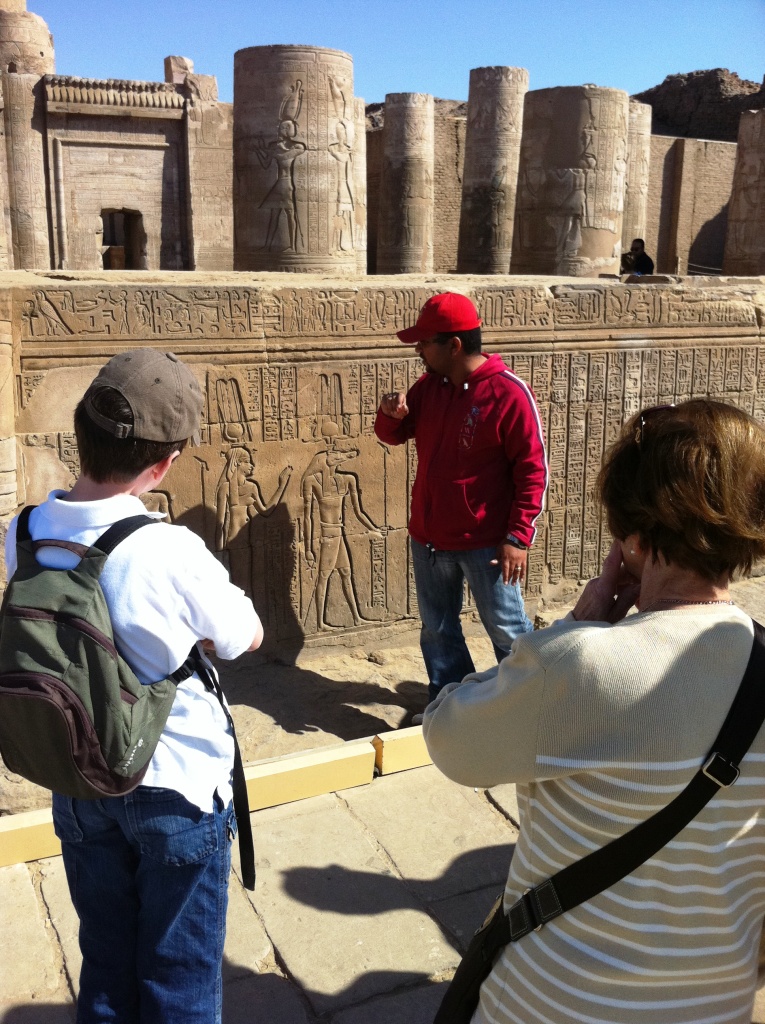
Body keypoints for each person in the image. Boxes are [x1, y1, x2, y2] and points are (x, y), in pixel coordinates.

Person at [423, 399, 765, 1024]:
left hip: (551, 1004)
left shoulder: (576, 666)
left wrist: (573, 627)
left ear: (634, 534)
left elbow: (447, 736)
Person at [4, 350, 263, 1024]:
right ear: (165, 463)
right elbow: (244, 635)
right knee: (179, 978)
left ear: (81, 433)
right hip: (174, 781)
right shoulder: (167, 548)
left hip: (78, 771)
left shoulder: (24, 531)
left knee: (106, 960)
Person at [374, 292, 547, 707]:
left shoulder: (509, 393)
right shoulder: (429, 387)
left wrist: (518, 538)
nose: (418, 349)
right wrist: (390, 415)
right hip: (429, 538)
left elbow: (532, 471)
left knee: (507, 630)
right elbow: (392, 436)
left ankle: (530, 707)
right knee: (437, 630)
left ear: (453, 345)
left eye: (424, 342)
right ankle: (449, 703)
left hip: (487, 543)